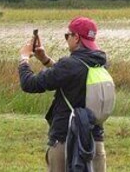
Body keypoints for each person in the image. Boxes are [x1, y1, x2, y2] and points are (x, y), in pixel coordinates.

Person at [19, 16, 108, 172]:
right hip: (95, 143)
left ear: (77, 38)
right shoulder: (101, 63)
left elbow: (29, 84)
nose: (67, 39)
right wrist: (45, 59)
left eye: (68, 35)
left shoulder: (69, 65)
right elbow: (73, 76)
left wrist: (24, 58)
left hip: (66, 142)